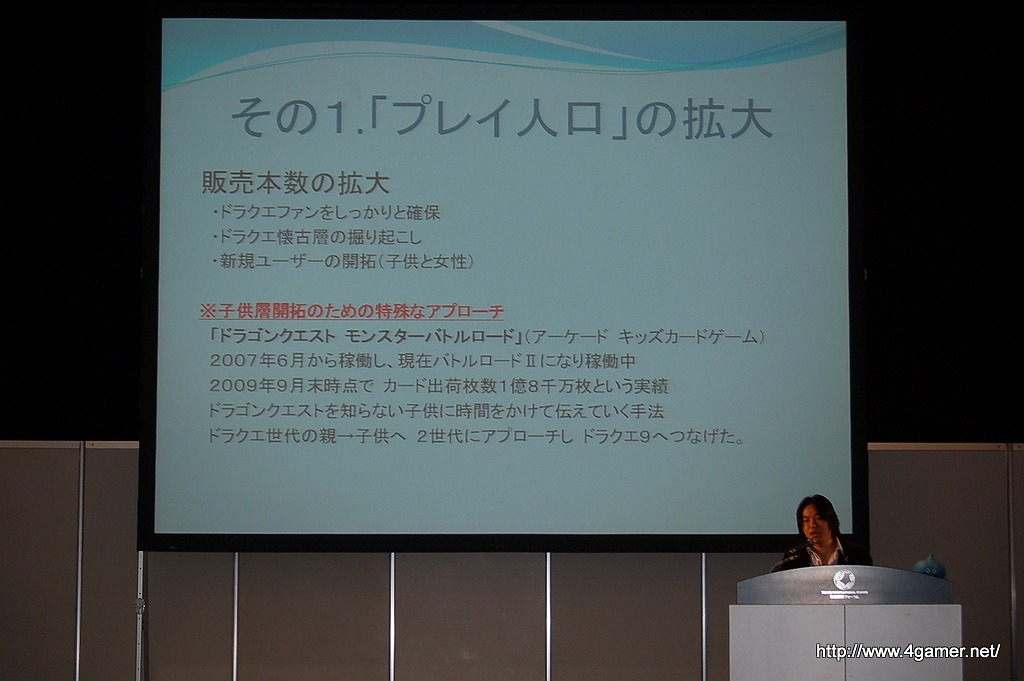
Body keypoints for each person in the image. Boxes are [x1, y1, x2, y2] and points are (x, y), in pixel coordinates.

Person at [771, 494, 872, 572]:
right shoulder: (793, 559)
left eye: (818, 518)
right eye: (806, 521)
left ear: (830, 521)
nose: (812, 525)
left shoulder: (859, 555)